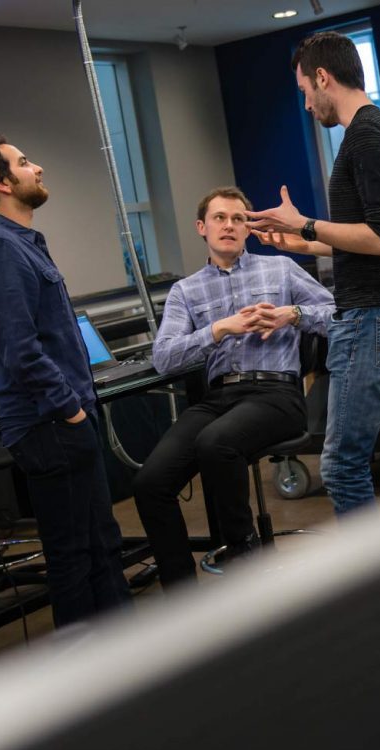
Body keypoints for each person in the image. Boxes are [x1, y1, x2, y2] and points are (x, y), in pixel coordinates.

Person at [246, 31, 380, 515]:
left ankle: (375, 591)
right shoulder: (376, 130)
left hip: (377, 315)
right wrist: (300, 240)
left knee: (341, 467)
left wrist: (306, 222)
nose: (307, 105)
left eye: (304, 92)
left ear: (321, 77)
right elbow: (370, 235)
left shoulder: (366, 138)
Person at [0, 134, 131, 627]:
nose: (39, 168)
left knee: (101, 543)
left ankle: (126, 666)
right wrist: (71, 410)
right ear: (0, 182)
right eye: (25, 162)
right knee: (76, 554)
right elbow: (19, 350)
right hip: (51, 424)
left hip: (61, 418)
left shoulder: (21, 243)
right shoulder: (2, 251)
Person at [133, 186, 334, 588]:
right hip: (219, 398)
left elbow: (337, 315)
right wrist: (218, 329)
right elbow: (165, 357)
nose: (229, 225)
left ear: (248, 227)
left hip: (277, 394)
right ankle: (182, 598)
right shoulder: (185, 292)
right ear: (201, 227)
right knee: (150, 483)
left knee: (216, 443)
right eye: (220, 218)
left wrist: (291, 315)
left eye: (239, 218)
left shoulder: (279, 270)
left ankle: (246, 561)